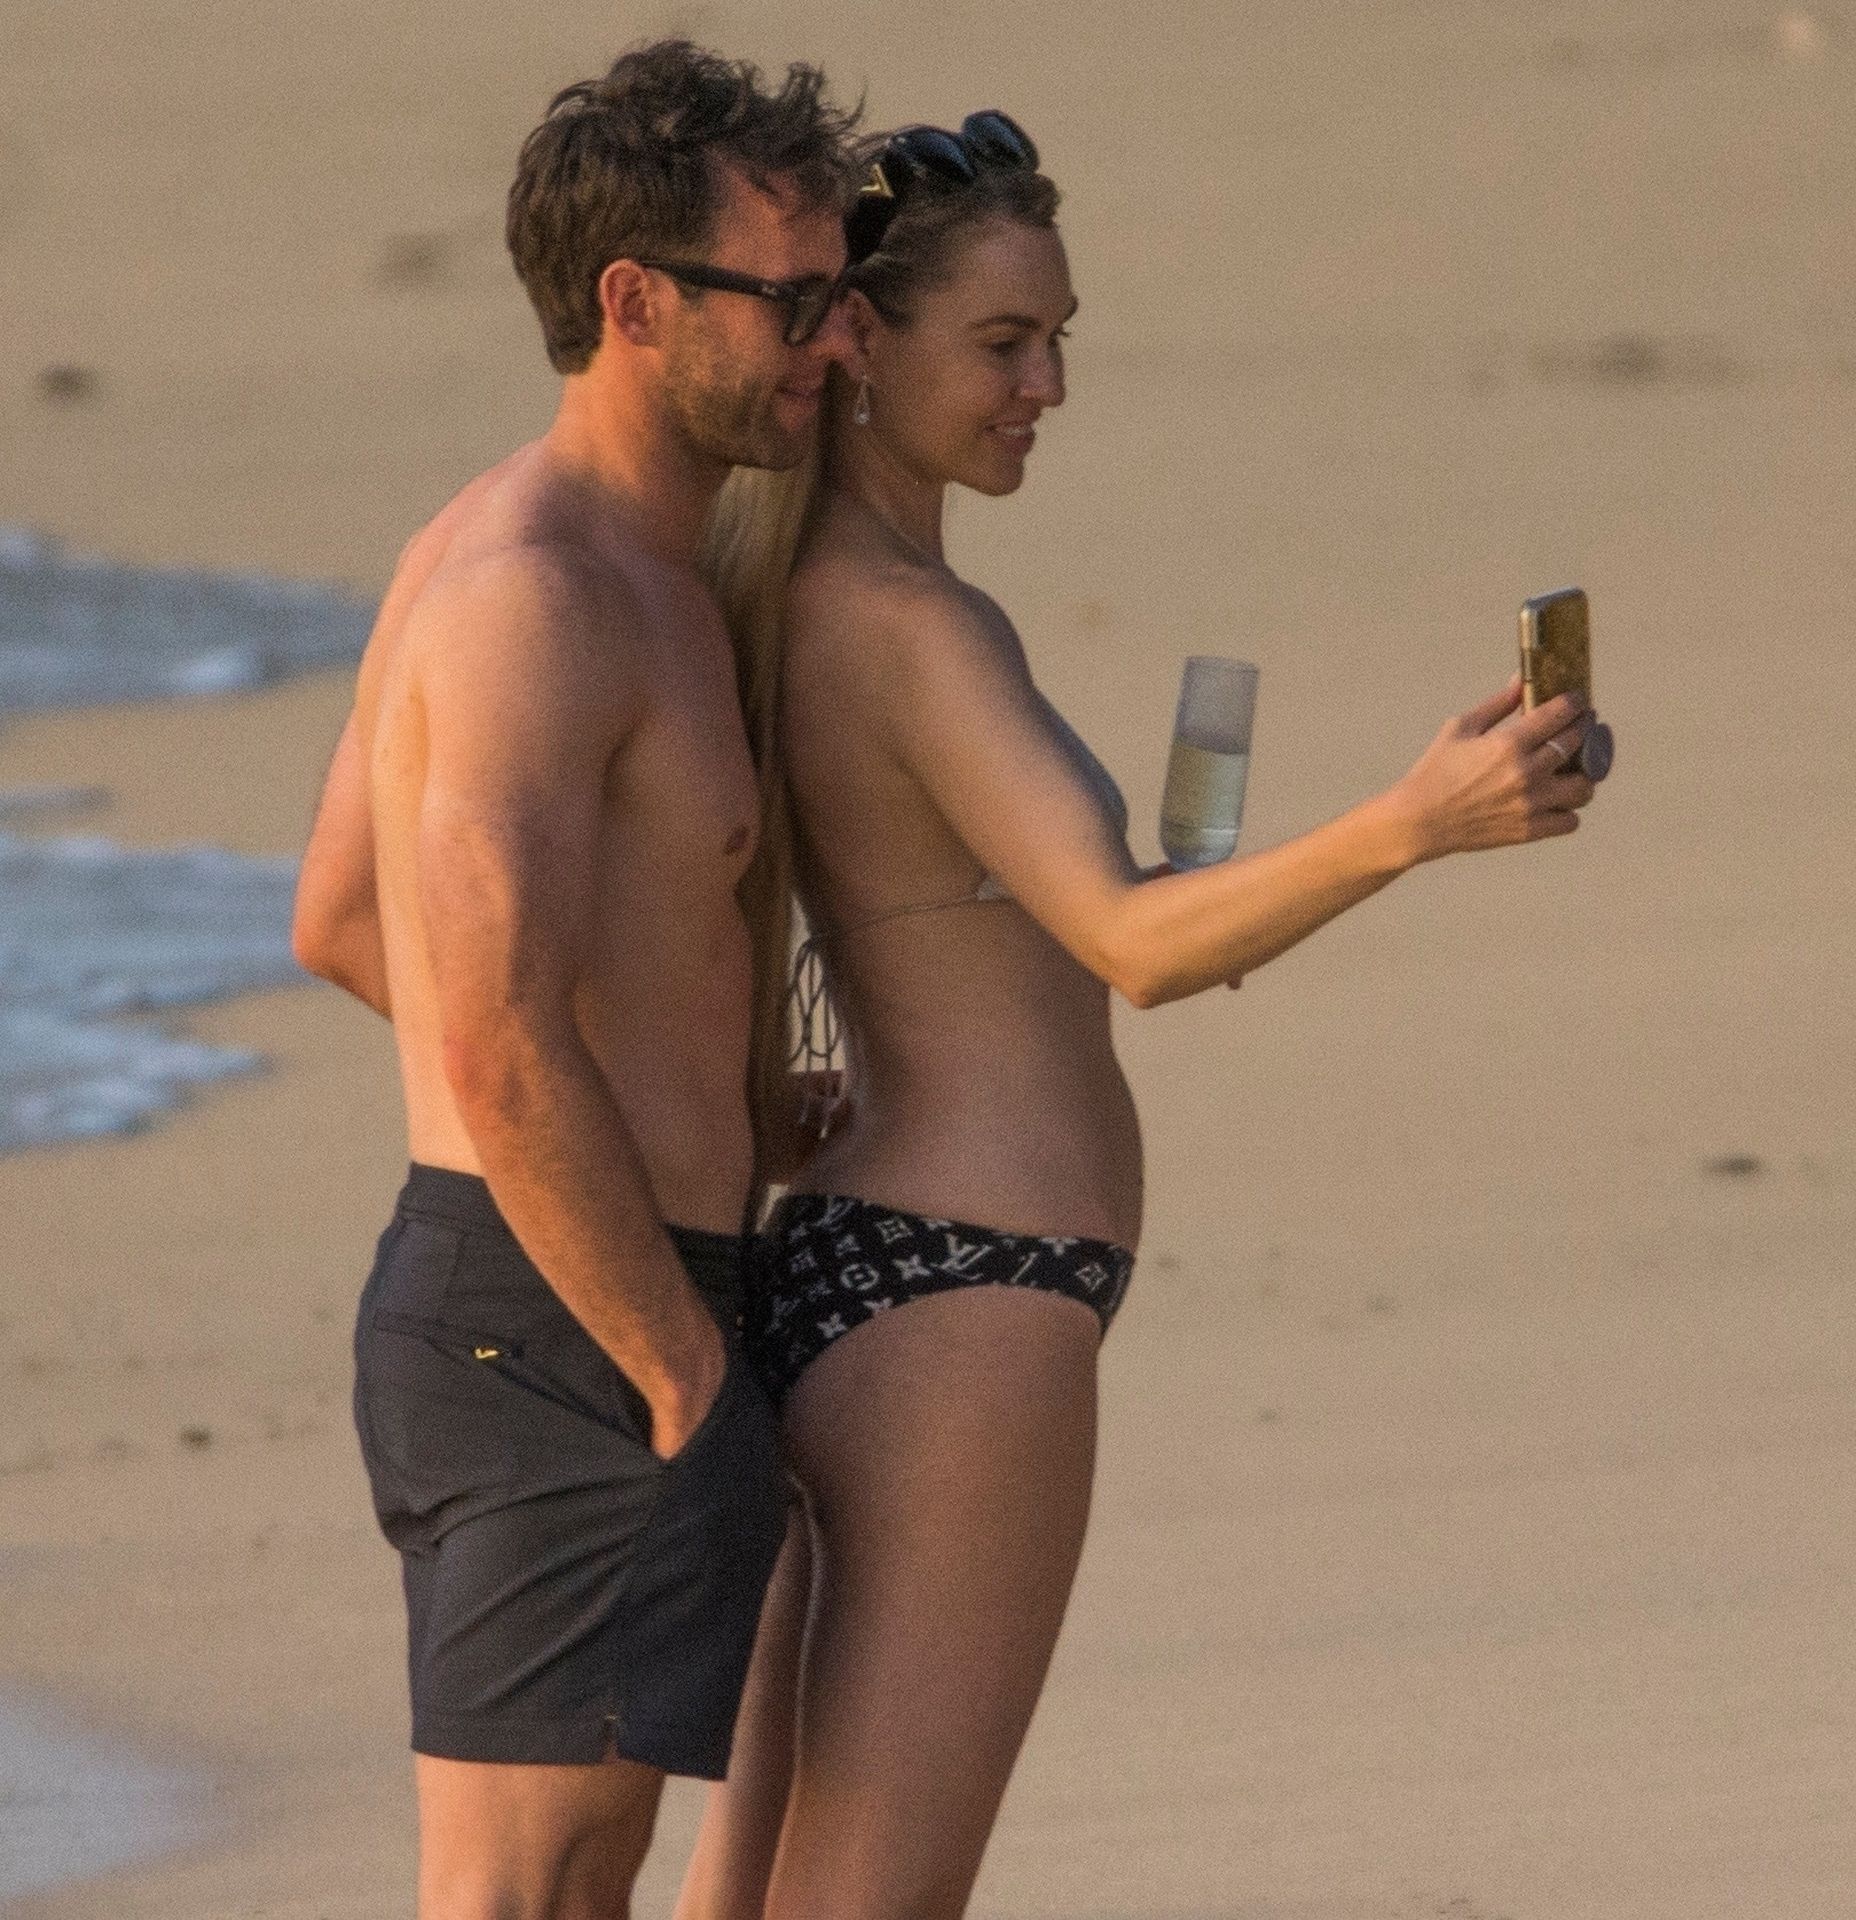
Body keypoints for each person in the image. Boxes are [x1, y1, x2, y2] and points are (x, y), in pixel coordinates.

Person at [677, 114, 1601, 1920]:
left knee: (760, 1885)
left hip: (864, 1262)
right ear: (857, 342)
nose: (1049, 387)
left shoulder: (817, 597)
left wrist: (1313, 863)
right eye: (1003, 343)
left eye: (1059, 337)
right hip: (970, 1288)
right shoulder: (909, 624)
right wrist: (1419, 822)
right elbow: (1137, 949)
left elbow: (1088, 933)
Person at [289, 41, 860, 1920]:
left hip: (552, 1291)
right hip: (568, 1320)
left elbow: (339, 919)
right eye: (790, 299)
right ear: (634, 302)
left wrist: (703, 1100)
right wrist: (680, 1370)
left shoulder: (572, 560)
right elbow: (490, 1030)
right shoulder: (535, 598)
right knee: (525, 1899)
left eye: (840, 292)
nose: (831, 342)